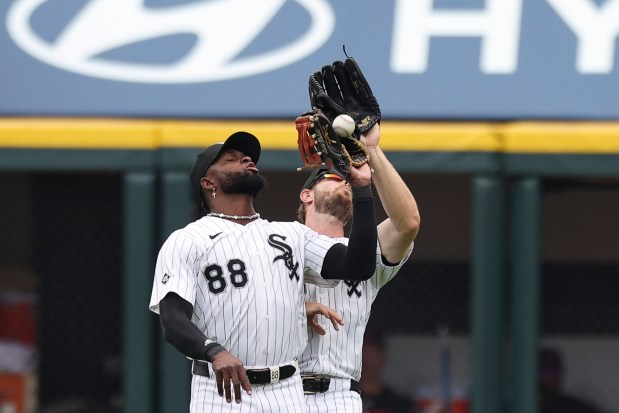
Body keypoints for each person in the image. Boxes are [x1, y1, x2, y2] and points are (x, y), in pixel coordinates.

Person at [148, 131, 379, 412]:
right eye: (231, 159)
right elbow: (173, 320)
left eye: (247, 157)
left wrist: (364, 188)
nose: (246, 159)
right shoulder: (188, 240)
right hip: (220, 392)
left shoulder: (290, 234)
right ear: (208, 183)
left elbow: (358, 266)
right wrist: (213, 351)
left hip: (287, 392)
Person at [298, 123, 420, 413]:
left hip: (339, 396)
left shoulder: (365, 255)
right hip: (279, 391)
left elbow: (408, 223)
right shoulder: (278, 245)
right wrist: (296, 311)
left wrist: (373, 151)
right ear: (307, 195)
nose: (345, 182)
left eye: (349, 182)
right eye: (333, 177)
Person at [359, 330, 415, 413]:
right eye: (364, 353)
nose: (368, 360)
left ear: (383, 355)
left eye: (374, 354)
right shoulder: (345, 398)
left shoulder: (398, 404)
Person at [539, 347, 606, 413]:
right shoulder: (530, 404)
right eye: (545, 371)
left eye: (553, 371)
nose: (549, 376)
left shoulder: (570, 407)